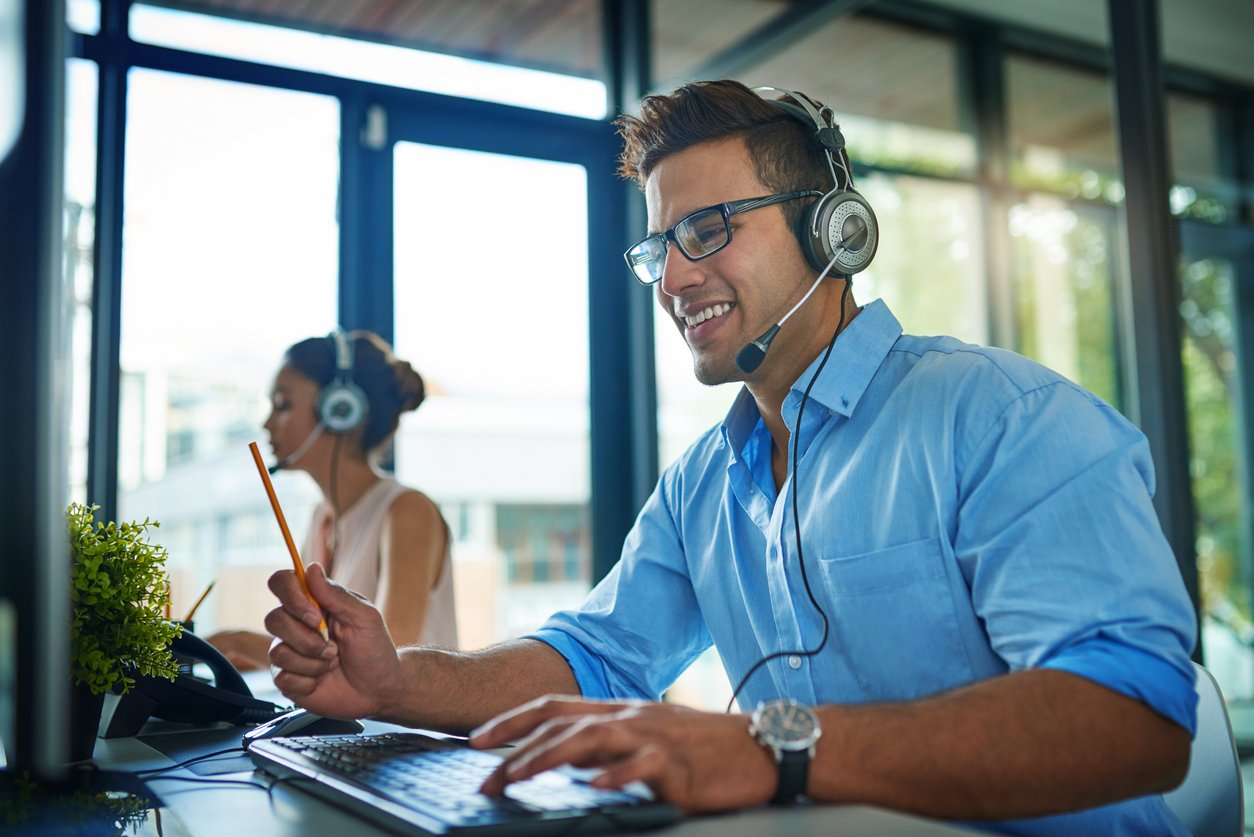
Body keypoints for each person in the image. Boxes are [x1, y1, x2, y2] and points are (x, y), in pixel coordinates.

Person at [262, 81, 1197, 834]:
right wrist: (398, 681)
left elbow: (1134, 717)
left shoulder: (1004, 417)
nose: (673, 276)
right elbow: (596, 655)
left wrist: (772, 742)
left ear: (835, 230)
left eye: (709, 230)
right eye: (660, 246)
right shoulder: (704, 482)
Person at [210, 330, 457, 670]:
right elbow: (319, 650)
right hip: (352, 724)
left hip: (408, 725)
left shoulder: (406, 512)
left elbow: (386, 663)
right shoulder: (321, 517)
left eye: (282, 405)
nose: (266, 423)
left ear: (340, 409)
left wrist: (241, 643)